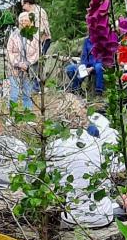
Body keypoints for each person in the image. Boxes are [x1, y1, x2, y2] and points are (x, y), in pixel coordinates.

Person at [48, 95, 118, 226]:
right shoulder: (98, 143)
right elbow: (114, 171)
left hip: (73, 216)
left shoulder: (55, 146)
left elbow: (48, 181)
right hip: (104, 214)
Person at [5, 11, 41, 113]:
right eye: (21, 20)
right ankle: (11, 115)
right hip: (14, 68)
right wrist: (17, 63)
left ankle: (28, 114)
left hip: (29, 69)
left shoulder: (35, 35)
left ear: (30, 22)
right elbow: (9, 51)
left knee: (27, 93)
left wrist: (27, 64)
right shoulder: (13, 35)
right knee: (14, 93)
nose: (23, 22)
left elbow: (38, 53)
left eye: (26, 20)